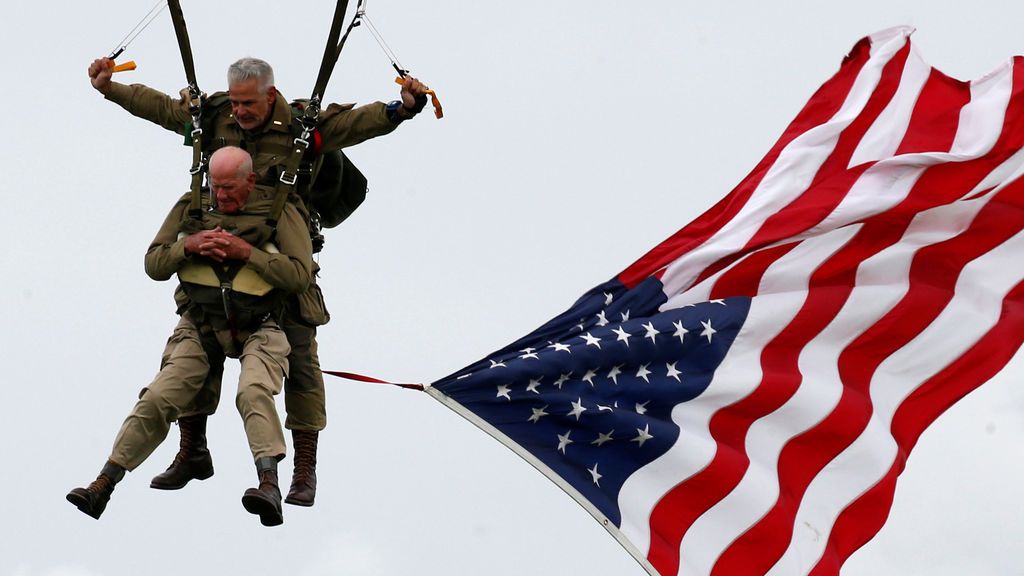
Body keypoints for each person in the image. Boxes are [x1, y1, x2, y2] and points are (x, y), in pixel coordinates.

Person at [86, 56, 431, 506]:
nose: (240, 111)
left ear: (270, 95)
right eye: (235, 101)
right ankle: (192, 451)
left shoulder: (302, 128)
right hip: (217, 253)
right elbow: (166, 111)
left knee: (302, 363)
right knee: (197, 338)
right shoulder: (215, 118)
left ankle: (303, 469)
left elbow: (355, 124)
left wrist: (400, 109)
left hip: (282, 250)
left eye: (248, 103)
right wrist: (110, 89)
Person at [67, 147, 313, 526]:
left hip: (263, 323)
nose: (221, 197)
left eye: (230, 188)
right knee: (158, 397)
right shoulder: (192, 206)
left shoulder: (280, 209)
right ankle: (103, 484)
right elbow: (154, 263)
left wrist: (246, 252)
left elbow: (299, 276)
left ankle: (269, 484)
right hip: (201, 322)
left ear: (250, 181)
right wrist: (189, 246)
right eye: (216, 188)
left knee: (252, 392)